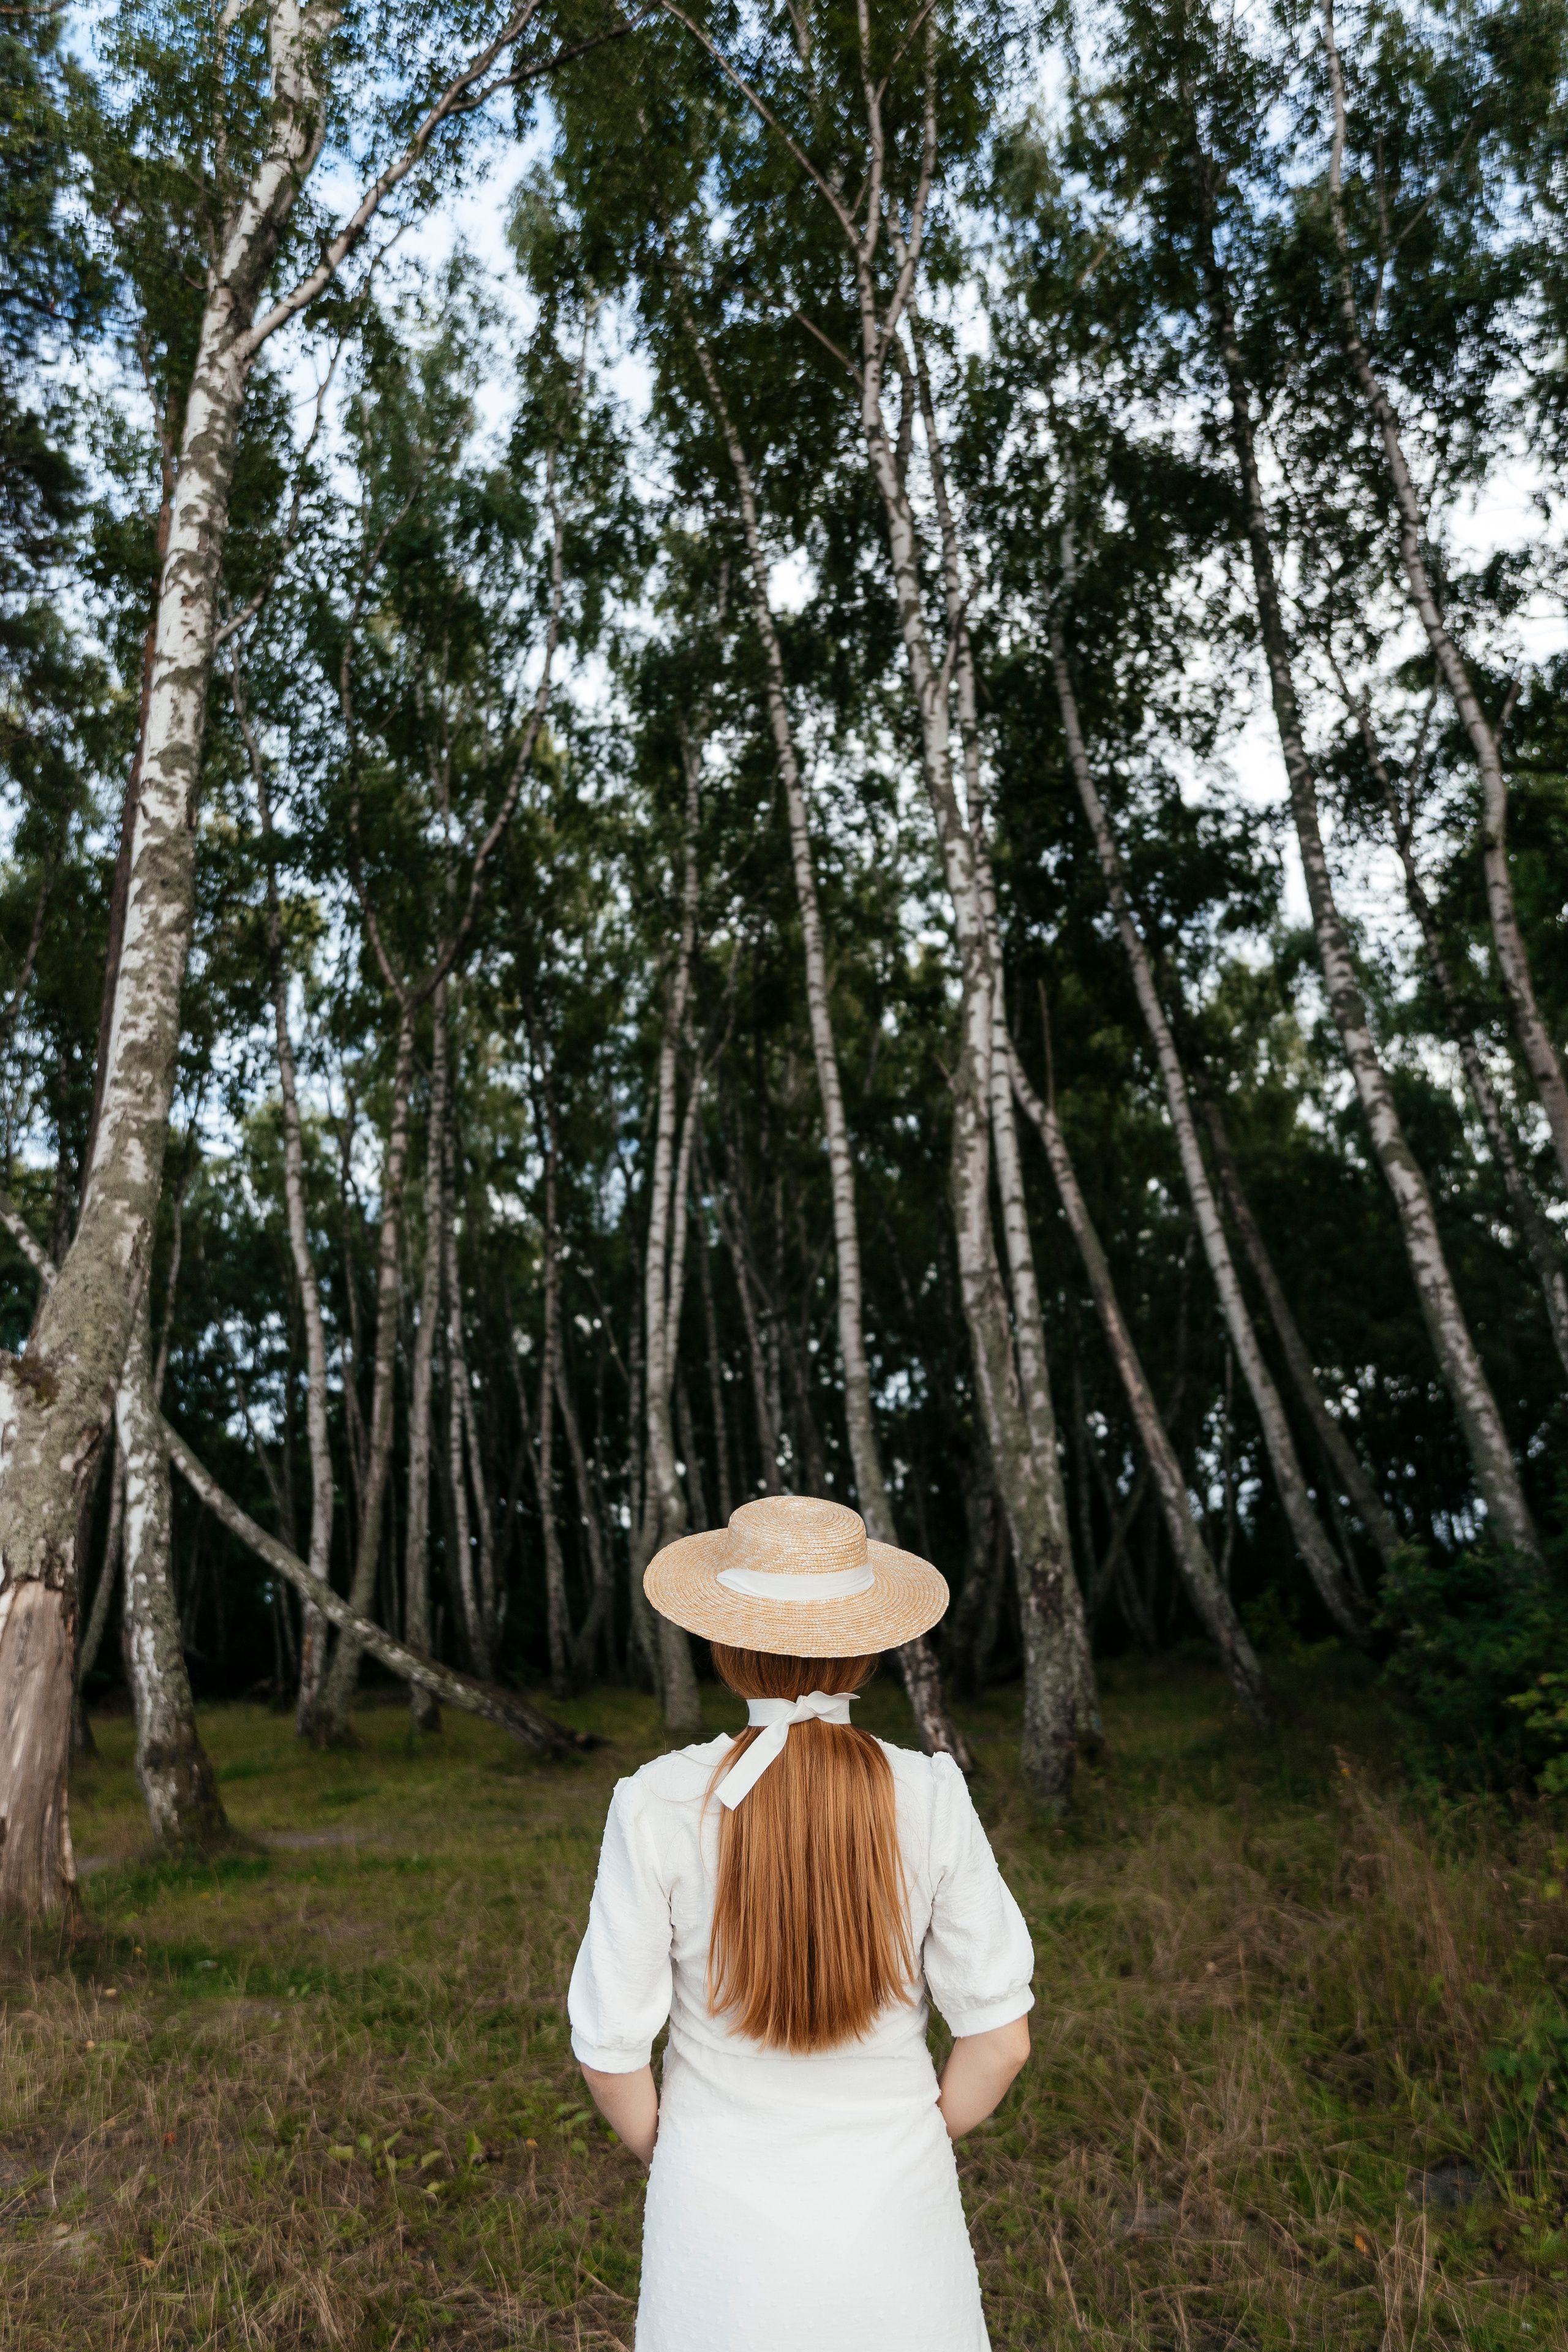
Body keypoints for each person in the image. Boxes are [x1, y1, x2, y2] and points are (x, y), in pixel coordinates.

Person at [567, 1493, 1035, 2352]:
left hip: (717, 2235)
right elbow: (1001, 2042)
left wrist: (676, 2154)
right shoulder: (930, 1797)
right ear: (865, 1646)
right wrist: (915, 2131)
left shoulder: (655, 1804)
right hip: (898, 2226)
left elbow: (609, 2056)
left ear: (724, 1645)